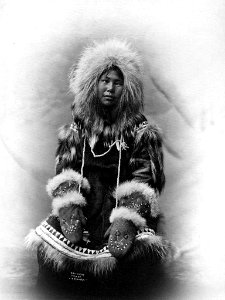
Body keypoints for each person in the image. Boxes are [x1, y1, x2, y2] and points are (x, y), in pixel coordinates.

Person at [26, 39, 174, 295]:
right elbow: (64, 168)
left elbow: (145, 179)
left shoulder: (141, 131)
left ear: (127, 88)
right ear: (92, 84)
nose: (110, 88)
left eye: (118, 83)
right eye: (105, 81)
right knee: (50, 255)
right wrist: (69, 206)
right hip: (86, 204)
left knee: (132, 262)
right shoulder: (79, 126)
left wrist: (127, 219)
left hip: (121, 205)